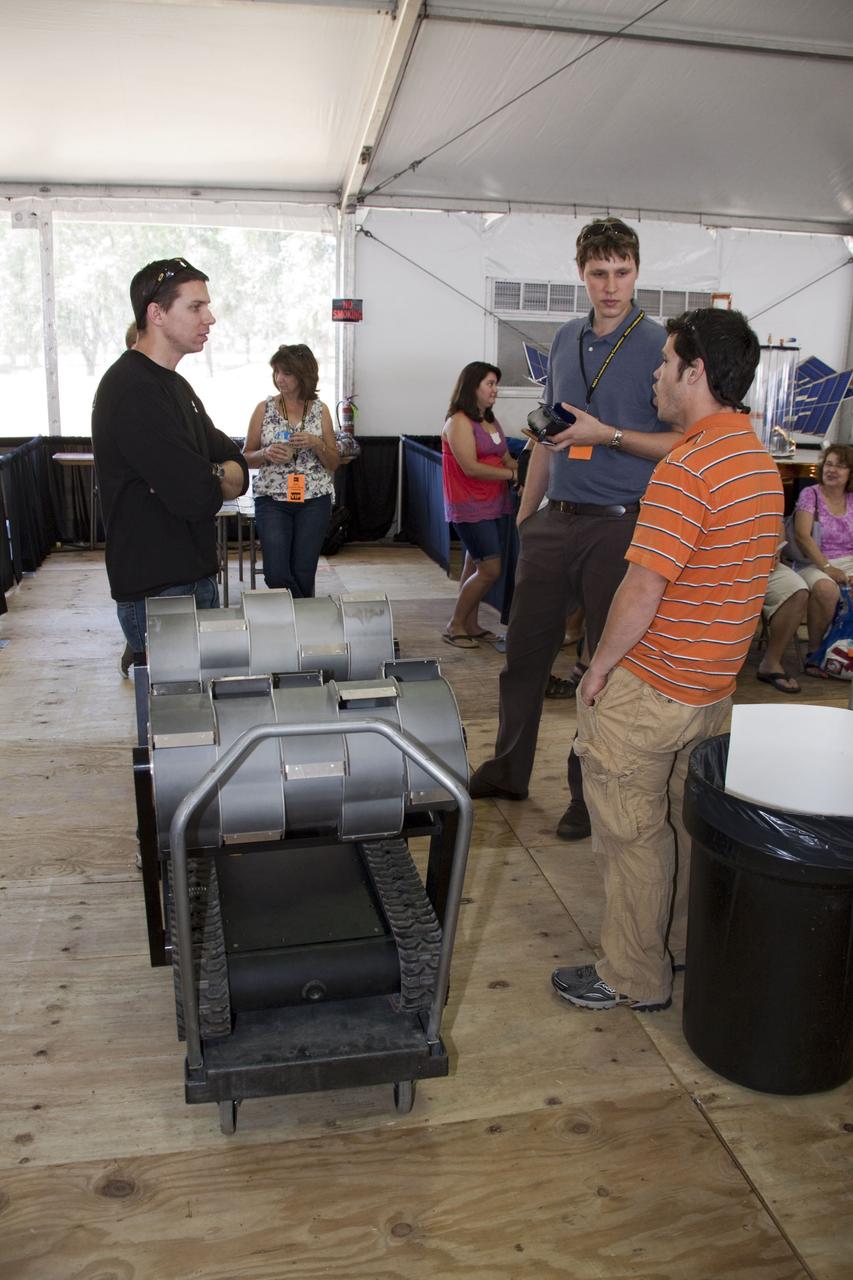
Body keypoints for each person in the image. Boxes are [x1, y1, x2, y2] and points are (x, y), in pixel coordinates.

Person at [552, 308, 783, 1013]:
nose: (653, 373)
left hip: (651, 689)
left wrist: (596, 670)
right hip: (711, 690)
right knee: (680, 825)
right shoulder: (757, 461)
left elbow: (643, 586)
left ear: (695, 373)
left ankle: (632, 975)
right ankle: (673, 949)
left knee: (630, 838)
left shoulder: (688, 466)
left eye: (664, 362)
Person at [468, 217, 679, 839]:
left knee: (602, 668)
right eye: (598, 273)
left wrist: (607, 435)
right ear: (581, 274)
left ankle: (588, 792)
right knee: (523, 656)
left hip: (622, 527)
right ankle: (509, 768)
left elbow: (680, 444)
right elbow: (547, 435)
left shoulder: (661, 344)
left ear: (637, 272)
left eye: (622, 272)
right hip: (555, 521)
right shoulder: (564, 338)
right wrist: (527, 517)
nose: (611, 286)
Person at [92, 257, 249, 676]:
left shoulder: (175, 385)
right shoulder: (132, 390)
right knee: (178, 729)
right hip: (158, 592)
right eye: (196, 307)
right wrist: (213, 476)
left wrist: (213, 473)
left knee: (200, 718)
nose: (210, 318)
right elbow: (196, 495)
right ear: (156, 314)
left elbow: (235, 463)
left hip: (192, 579)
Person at [242, 344, 339, 597]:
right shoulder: (264, 409)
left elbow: (334, 462)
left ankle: (299, 628)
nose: (279, 379)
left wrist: (317, 444)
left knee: (304, 571)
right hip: (272, 500)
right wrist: (266, 453)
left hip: (315, 499)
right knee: (276, 573)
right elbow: (246, 457)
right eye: (276, 372)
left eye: (286, 373)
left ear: (303, 375)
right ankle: (304, 613)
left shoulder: (321, 410)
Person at [441, 361, 517, 648]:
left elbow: (506, 458)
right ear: (473, 386)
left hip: (494, 503)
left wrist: (524, 467)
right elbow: (471, 468)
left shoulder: (489, 420)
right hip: (469, 506)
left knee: (474, 564)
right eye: (490, 384)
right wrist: (512, 474)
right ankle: (455, 625)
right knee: (490, 570)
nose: (495, 390)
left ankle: (470, 624)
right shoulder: (458, 421)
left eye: (495, 384)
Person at [789, 444, 853, 673]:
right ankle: (815, 654)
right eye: (829, 464)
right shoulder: (811, 494)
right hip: (813, 561)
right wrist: (827, 567)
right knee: (827, 589)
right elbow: (802, 537)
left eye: (840, 465)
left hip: (848, 560)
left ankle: (845, 651)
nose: (832, 470)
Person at [756, 553, 807, 694]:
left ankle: (771, 663)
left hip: (762, 564)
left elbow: (778, 534)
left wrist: (774, 553)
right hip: (717, 562)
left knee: (797, 591)